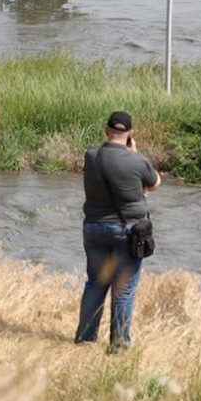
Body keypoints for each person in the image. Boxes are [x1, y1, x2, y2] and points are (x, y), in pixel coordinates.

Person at [75, 110, 161, 353]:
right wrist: (133, 153)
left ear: (106, 131)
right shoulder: (137, 160)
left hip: (93, 228)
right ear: (130, 133)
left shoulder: (90, 156)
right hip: (127, 230)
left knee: (94, 284)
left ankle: (84, 340)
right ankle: (119, 347)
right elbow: (155, 183)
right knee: (123, 290)